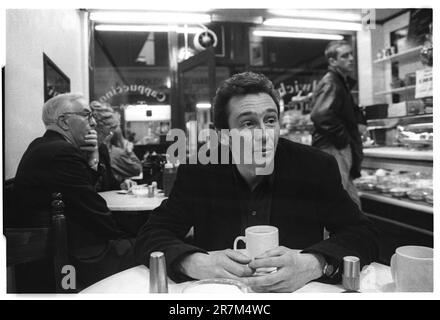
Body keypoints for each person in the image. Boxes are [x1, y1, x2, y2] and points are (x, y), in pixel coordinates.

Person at [135, 72, 378, 293]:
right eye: (248, 123)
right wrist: (196, 262)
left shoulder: (314, 167)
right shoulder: (200, 172)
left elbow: (363, 233)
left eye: (270, 120)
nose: (264, 134)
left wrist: (314, 263)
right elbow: (152, 234)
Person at [13, 93, 136, 290]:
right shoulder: (63, 153)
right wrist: (129, 233)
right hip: (74, 256)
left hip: (54, 251)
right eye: (87, 115)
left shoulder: (41, 146)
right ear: (64, 121)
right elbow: (97, 214)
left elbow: (85, 199)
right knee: (151, 245)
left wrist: (92, 158)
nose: (93, 122)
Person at [310, 40, 367, 208]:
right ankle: (334, 235)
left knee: (349, 199)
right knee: (336, 200)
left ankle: (356, 232)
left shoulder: (340, 81)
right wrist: (344, 140)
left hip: (336, 146)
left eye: (351, 54)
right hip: (334, 147)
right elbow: (320, 114)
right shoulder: (332, 82)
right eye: (344, 56)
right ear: (332, 61)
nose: (351, 59)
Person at [90, 101, 137, 191]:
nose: (111, 134)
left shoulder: (103, 149)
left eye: (113, 130)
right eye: (109, 129)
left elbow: (110, 183)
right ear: (95, 127)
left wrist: (122, 184)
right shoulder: (80, 151)